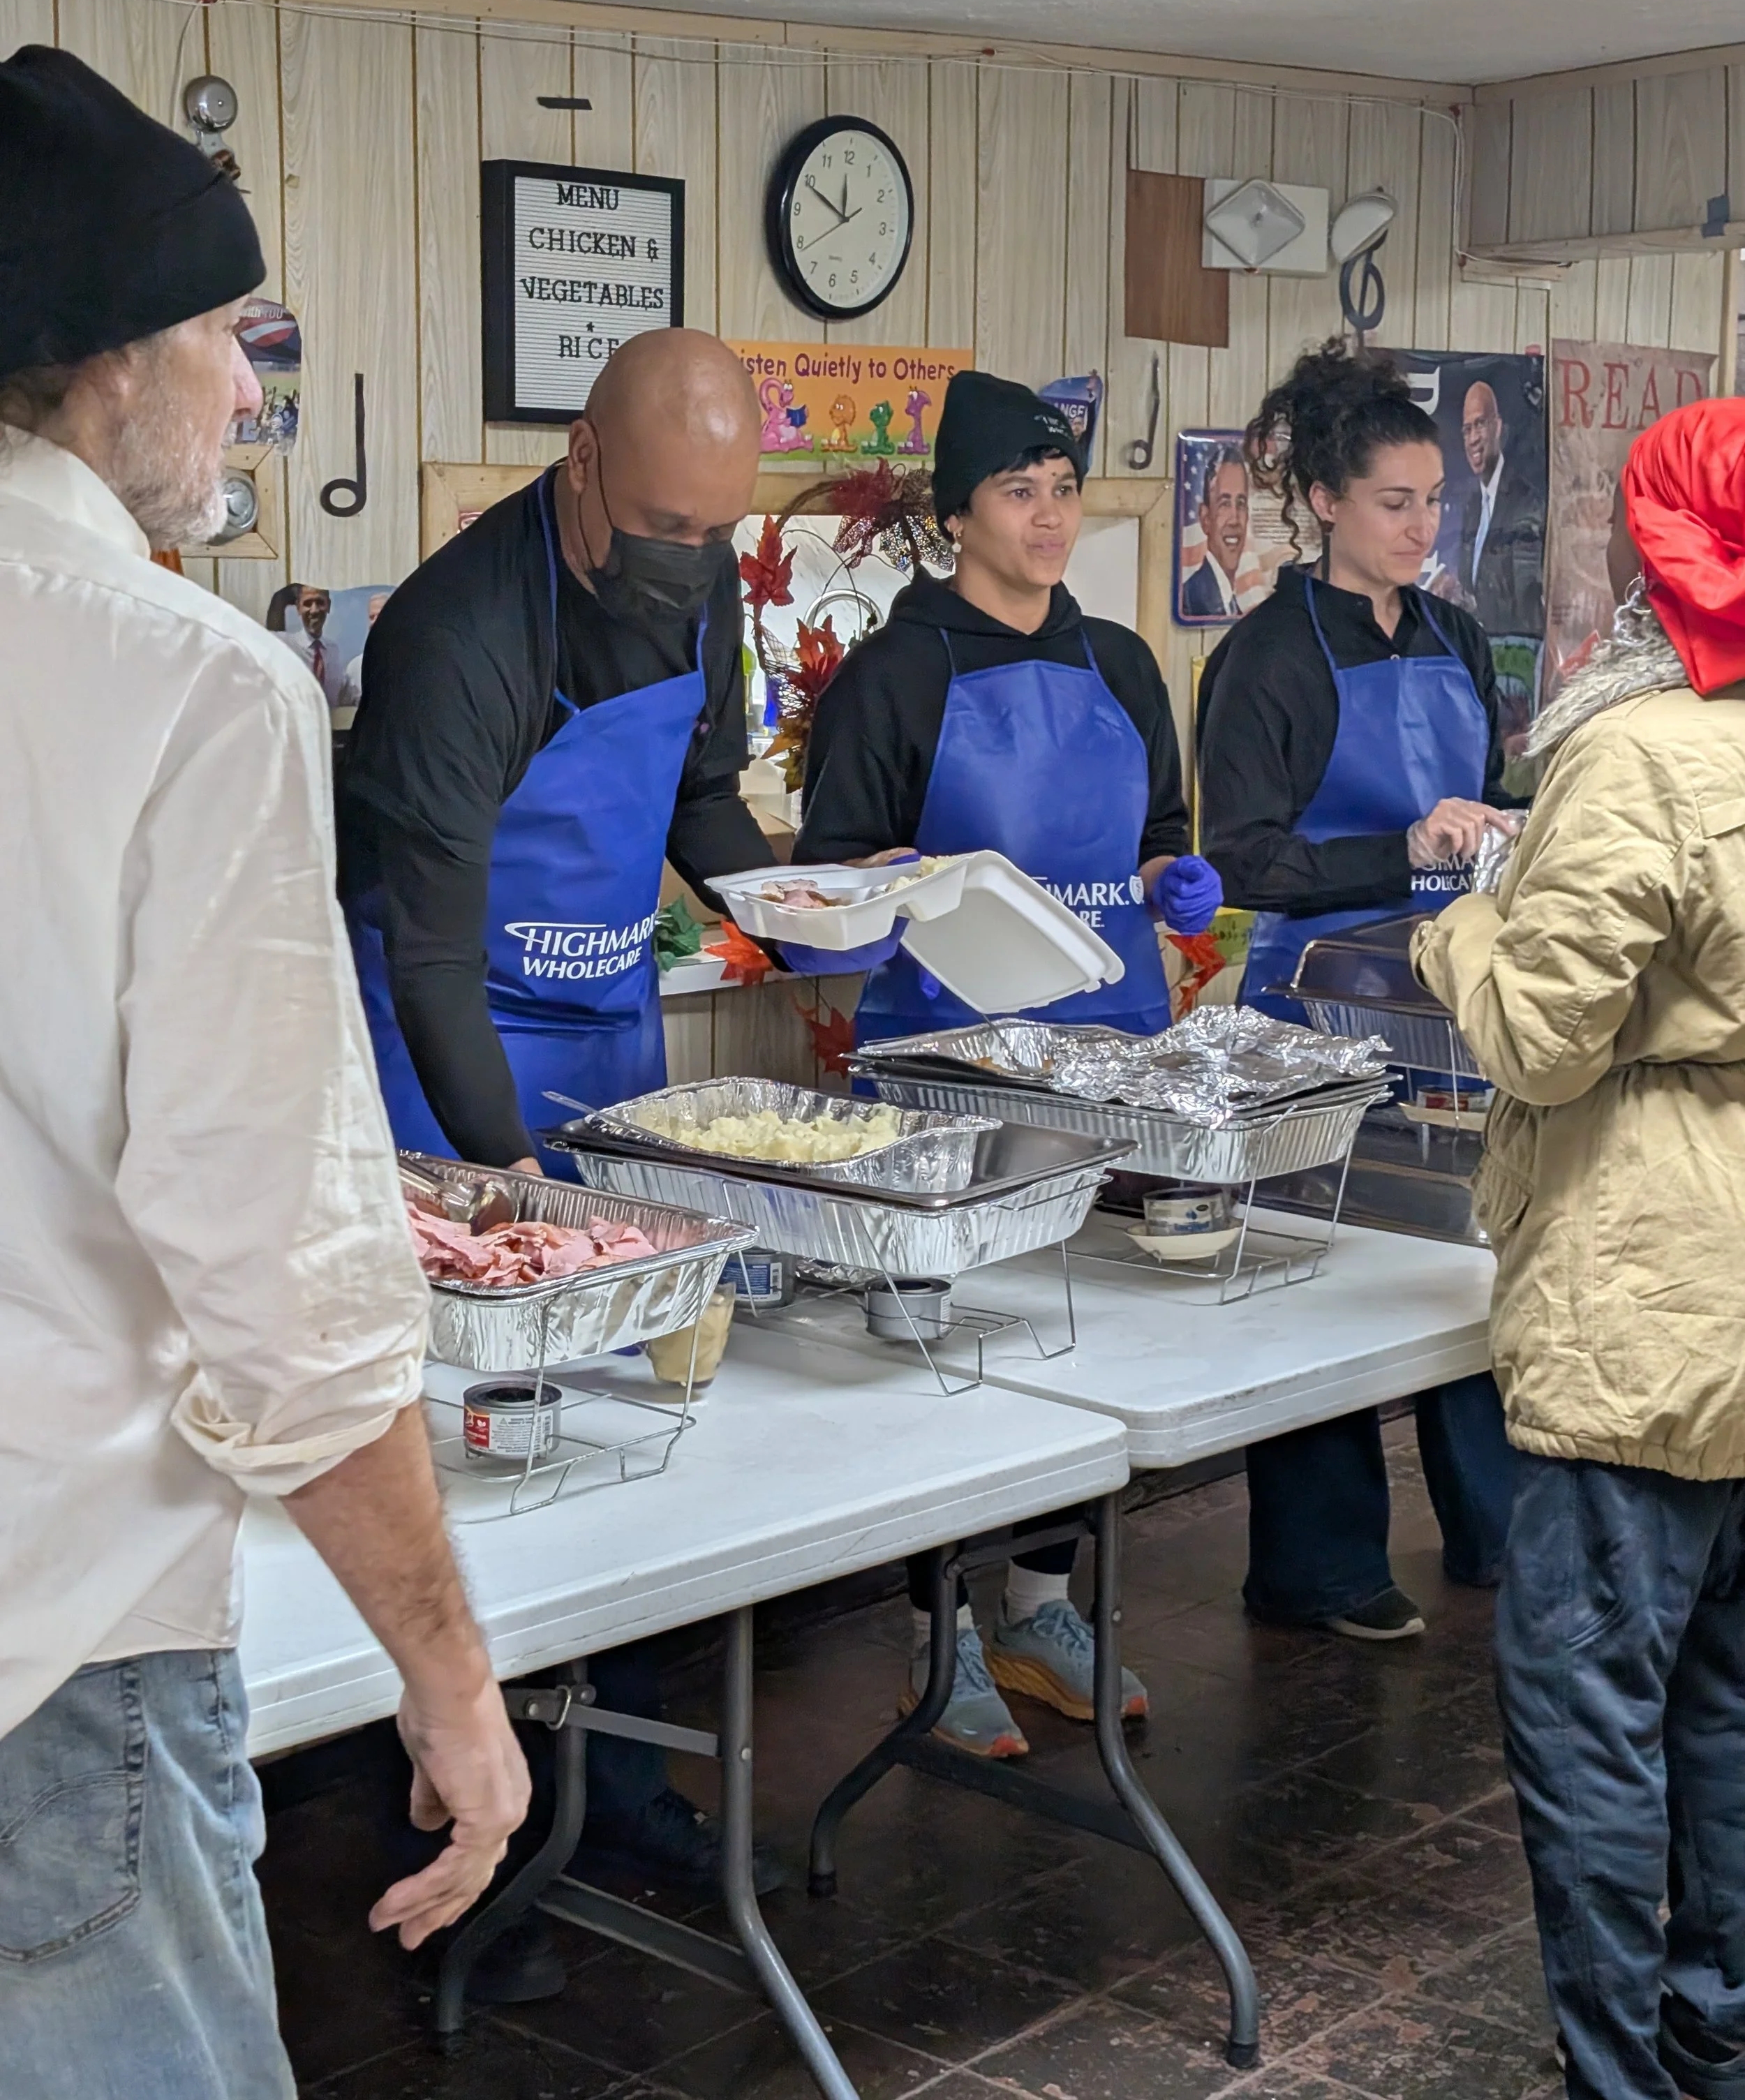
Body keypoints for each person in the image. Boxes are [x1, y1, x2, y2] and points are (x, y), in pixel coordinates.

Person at [0, 45, 527, 2099]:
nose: (244, 382)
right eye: (229, 333)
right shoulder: (188, 677)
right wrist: (450, 1670)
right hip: (55, 1637)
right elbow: (276, 1289)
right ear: (109, 360)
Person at [337, 325, 791, 1990]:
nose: (692, 566)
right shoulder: (458, 631)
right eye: (666, 528)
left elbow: (707, 804)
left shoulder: (704, 568)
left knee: (642, 1430)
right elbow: (434, 961)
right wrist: (518, 1204)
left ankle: (629, 1786)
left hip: (606, 1033)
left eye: (717, 535)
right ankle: (456, 1844)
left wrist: (798, 910)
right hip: (449, 1050)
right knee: (478, 1453)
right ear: (583, 466)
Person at [796, 368, 1222, 1755]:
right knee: (945, 1356)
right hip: (944, 1064)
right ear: (956, 513)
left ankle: (1039, 1604)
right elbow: (824, 874)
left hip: (1105, 1053)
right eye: (1015, 492)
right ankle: (937, 1641)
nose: (1047, 518)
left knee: (1080, 1336)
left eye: (1060, 489)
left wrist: (1172, 878)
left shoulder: (1119, 663)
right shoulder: (898, 669)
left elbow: (1158, 822)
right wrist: (893, 876)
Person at [1413, 397, 1745, 2100]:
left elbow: (1543, 1042)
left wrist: (1461, 922)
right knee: (1729, 1712)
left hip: (1639, 1296)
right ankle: (1714, 2042)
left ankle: (1619, 2076)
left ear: (1653, 547)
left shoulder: (1632, 749)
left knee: (1591, 1715)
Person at [1197, 341, 1519, 1644]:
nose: (1422, 525)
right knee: (1325, 1282)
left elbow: (1493, 793)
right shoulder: (1266, 657)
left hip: (1450, 1003)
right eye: (1396, 501)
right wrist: (1407, 849)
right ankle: (1317, 1568)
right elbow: (1242, 858)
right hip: (1313, 1006)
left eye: (1434, 500)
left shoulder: (1451, 634)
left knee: (1468, 1261)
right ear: (1327, 501)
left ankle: (1499, 1532)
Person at [1453, 378, 1545, 639]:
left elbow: (1526, 605)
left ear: (1498, 427)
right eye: (1466, 429)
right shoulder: (1472, 507)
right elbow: (1473, 586)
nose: (1472, 439)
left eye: (1480, 425)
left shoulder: (1527, 503)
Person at [1181, 445, 1251, 619]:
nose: (1235, 520)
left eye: (1241, 504)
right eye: (1224, 504)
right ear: (1205, 519)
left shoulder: (1231, 602)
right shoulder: (1191, 601)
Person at [291, 581, 360, 712]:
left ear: (328, 606)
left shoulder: (332, 650)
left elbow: (348, 693)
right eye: (308, 604)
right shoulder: (288, 647)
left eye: (320, 603)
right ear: (298, 608)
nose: (314, 610)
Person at [346, 587, 390, 695]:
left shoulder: (409, 662)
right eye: (371, 617)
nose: (374, 622)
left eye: (380, 616)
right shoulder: (355, 667)